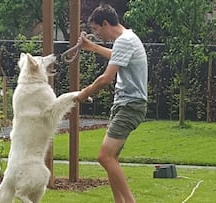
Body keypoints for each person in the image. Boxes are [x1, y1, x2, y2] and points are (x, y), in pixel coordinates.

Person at [74, 4, 148, 203]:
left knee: (104, 157)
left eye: (96, 30)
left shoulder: (124, 41)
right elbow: (118, 57)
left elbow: (106, 79)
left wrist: (84, 94)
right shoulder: (128, 38)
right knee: (111, 158)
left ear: (105, 23)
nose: (96, 35)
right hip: (125, 104)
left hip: (130, 105)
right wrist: (93, 48)